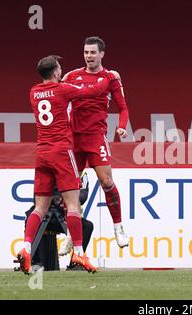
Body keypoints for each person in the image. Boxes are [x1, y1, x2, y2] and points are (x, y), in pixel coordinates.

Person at [16, 55, 115, 274]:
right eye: (60, 68)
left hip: (41, 154)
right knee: (72, 205)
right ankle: (79, 253)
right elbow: (92, 92)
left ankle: (25, 248)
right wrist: (106, 78)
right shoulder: (63, 90)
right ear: (55, 72)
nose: (62, 71)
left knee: (40, 208)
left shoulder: (33, 92)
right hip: (61, 152)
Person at [62, 36, 130, 249]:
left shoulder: (110, 77)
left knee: (107, 181)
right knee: (70, 188)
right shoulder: (72, 76)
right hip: (74, 138)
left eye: (93, 52)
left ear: (101, 54)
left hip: (96, 137)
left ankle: (118, 227)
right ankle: (72, 235)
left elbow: (123, 108)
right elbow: (58, 101)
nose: (89, 56)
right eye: (86, 52)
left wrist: (121, 126)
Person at [25, 172, 94, 271]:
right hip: (46, 211)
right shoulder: (50, 169)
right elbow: (37, 197)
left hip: (65, 215)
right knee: (30, 218)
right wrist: (58, 198)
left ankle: (75, 263)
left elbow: (83, 196)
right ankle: (34, 262)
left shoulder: (82, 172)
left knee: (87, 226)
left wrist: (65, 197)